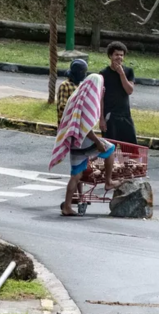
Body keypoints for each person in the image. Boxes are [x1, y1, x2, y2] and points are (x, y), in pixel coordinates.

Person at [50, 74, 120, 217]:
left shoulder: (77, 98)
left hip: (74, 140)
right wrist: (97, 142)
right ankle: (108, 181)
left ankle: (67, 206)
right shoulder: (88, 101)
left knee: (76, 175)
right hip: (84, 140)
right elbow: (86, 127)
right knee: (110, 149)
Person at [99, 41, 137, 144]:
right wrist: (101, 118)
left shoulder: (128, 71)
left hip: (125, 115)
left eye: (121, 55)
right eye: (116, 55)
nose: (119, 57)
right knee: (110, 147)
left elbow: (129, 90)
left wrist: (121, 74)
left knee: (130, 146)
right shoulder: (103, 73)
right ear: (110, 56)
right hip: (110, 116)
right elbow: (100, 98)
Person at [56, 59, 89, 124]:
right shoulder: (65, 85)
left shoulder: (80, 86)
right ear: (77, 72)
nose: (85, 74)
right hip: (67, 125)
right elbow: (62, 107)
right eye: (83, 72)